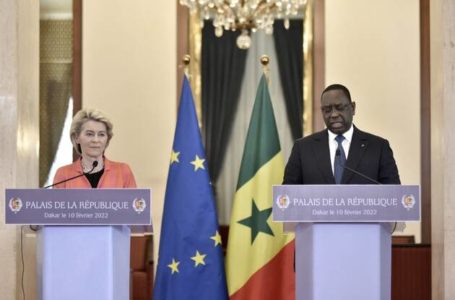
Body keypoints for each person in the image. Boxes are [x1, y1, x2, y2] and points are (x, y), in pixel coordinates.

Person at [283, 84, 400, 185]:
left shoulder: (378, 147)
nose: (334, 114)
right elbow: (287, 196)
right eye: (327, 110)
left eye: (339, 108)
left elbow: (394, 195)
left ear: (353, 108)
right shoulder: (303, 148)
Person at [53, 108, 136, 188]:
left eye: (101, 134)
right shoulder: (63, 174)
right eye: (89, 134)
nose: (96, 140)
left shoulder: (123, 171)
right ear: (76, 138)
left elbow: (134, 202)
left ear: (107, 139)